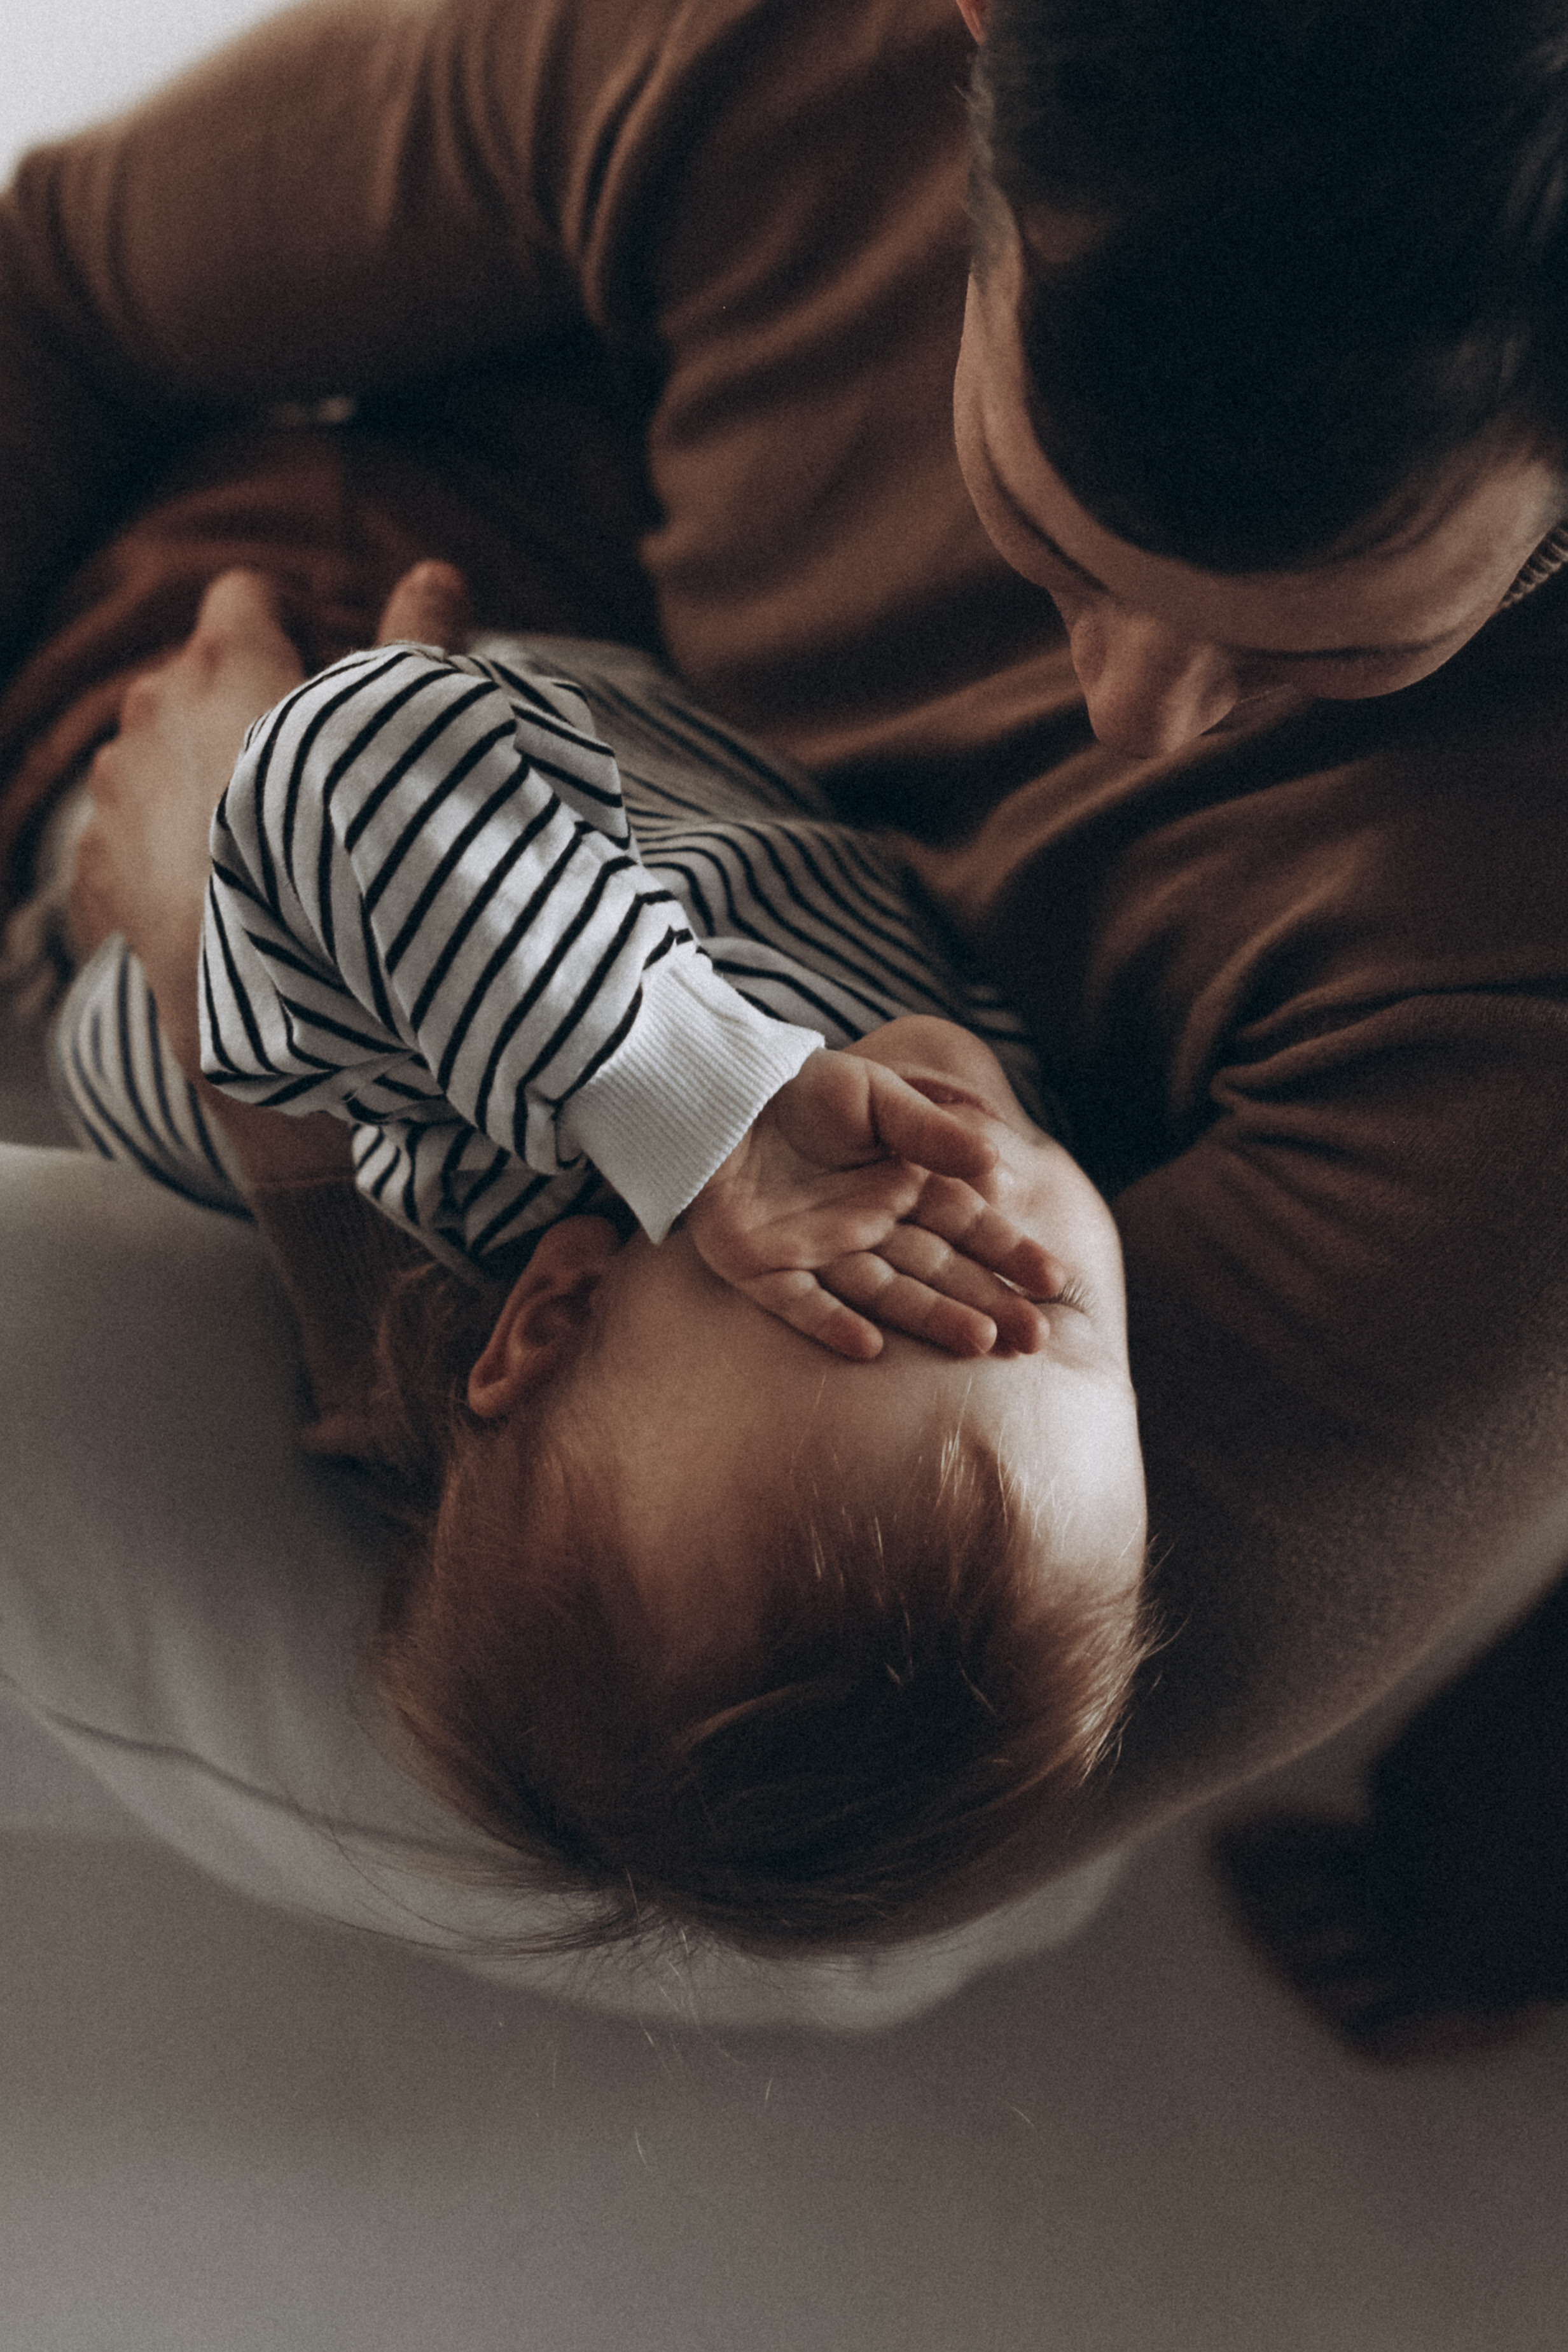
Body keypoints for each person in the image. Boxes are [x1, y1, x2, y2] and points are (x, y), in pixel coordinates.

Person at [2, 0, 1567, 2005]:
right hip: (250, 656)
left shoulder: (1505, 1039)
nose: (1132, 720)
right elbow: (61, 279)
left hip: (280, 895)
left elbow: (949, 1778)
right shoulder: (790, 53)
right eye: (1049, 524)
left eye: (1340, 654)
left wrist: (310, 1146)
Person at [59, 560, 1150, 1954]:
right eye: (1046, 1302)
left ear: (560, 1303)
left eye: (872, 1284)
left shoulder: (448, 1132)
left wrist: (687, 1097)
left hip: (237, 633)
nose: (966, 1175)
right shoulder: (1030, 1122)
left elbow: (325, 757)